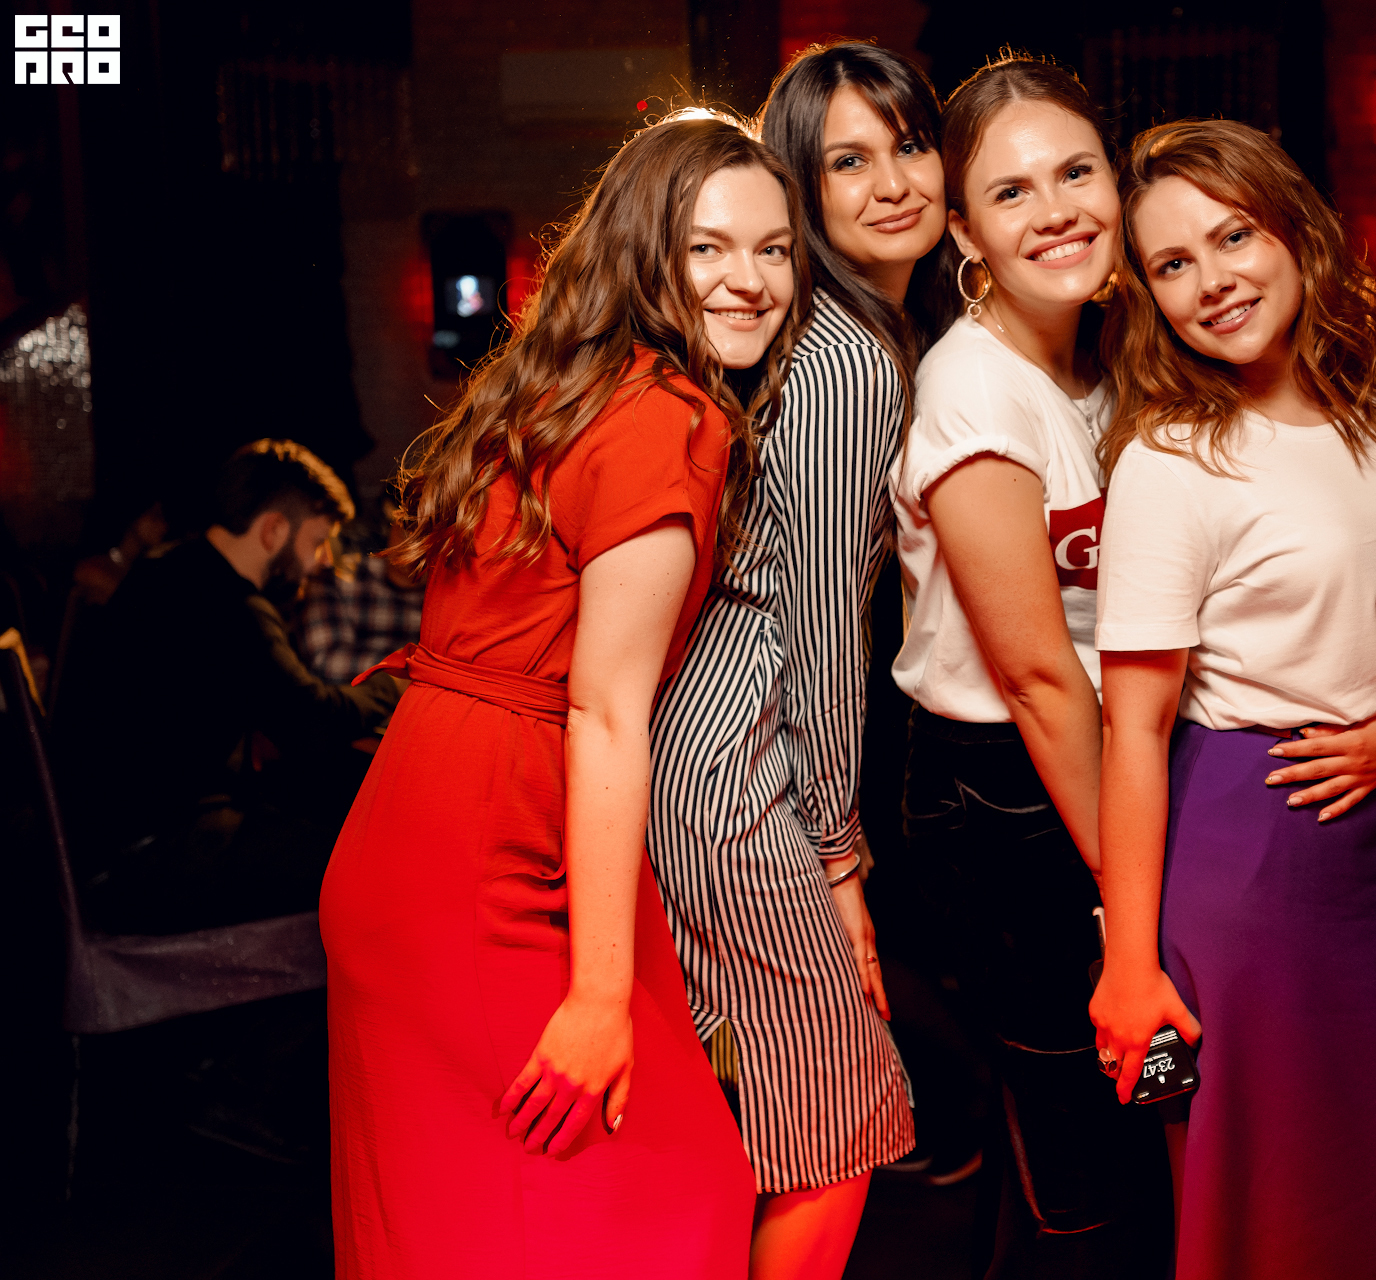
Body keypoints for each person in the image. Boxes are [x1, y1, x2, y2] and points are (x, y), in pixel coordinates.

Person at [320, 114, 798, 1277]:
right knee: (671, 1194)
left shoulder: (560, 389)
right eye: (708, 247)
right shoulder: (670, 415)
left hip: (407, 828)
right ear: (644, 251)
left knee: (454, 1218)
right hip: (498, 852)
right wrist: (597, 993)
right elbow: (606, 708)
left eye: (776, 249)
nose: (749, 279)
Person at [1088, 119, 1376, 1279]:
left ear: (1296, 230)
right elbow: (1134, 729)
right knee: (1283, 1189)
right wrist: (1129, 963)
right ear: (1148, 295)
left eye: (1233, 236)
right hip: (1253, 837)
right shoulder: (1171, 459)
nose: (1212, 280)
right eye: (1172, 263)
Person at [645, 43, 936, 1279]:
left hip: (707, 761)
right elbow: (819, 623)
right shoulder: (842, 359)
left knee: (762, 1119)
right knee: (838, 1121)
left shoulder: (836, 340)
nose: (892, 184)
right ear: (800, 192)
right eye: (847, 162)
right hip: (739, 778)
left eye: (909, 146)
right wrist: (837, 853)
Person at [889, 54, 1170, 1274]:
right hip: (1008, 784)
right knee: (1079, 1136)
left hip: (1104, 759)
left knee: (1140, 1100)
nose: (1055, 210)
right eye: (1010, 192)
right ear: (964, 231)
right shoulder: (974, 390)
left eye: (1075, 172)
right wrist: (1144, 891)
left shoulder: (1109, 353)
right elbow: (1040, 675)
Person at [54, 439, 398, 935]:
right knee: (369, 859)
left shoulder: (164, 570)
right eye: (317, 541)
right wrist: (395, 683)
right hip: (150, 861)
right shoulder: (231, 606)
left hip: (101, 845)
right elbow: (314, 722)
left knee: (311, 815)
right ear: (273, 530)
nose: (323, 562)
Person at [294, 486, 425, 683]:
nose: (413, 549)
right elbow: (326, 661)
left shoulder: (449, 599)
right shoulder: (338, 579)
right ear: (392, 524)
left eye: (427, 541)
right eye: (407, 531)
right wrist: (415, 669)